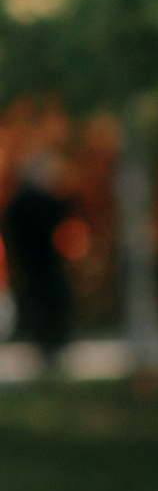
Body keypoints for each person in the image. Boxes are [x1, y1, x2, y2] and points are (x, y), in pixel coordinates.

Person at [2, 150, 77, 372]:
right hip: (44, 264)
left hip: (30, 266)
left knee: (39, 307)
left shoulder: (16, 205)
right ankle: (52, 350)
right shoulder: (44, 202)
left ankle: (47, 350)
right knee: (49, 305)